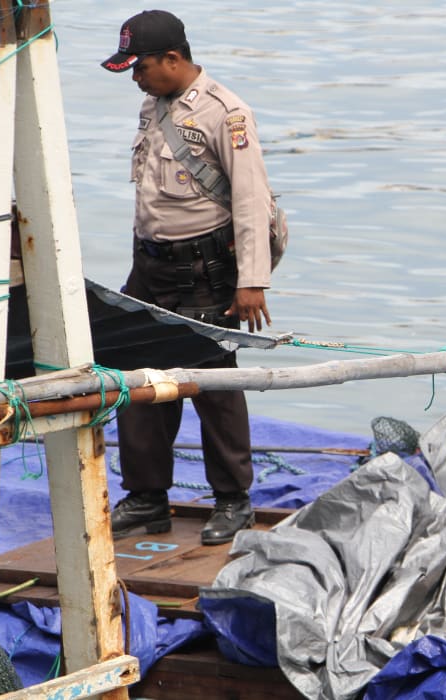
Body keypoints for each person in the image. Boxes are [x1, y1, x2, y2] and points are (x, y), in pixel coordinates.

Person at [102, 10, 273, 545]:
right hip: (150, 265)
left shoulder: (227, 113)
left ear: (173, 59)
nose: (136, 78)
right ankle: (147, 497)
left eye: (141, 67)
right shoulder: (153, 104)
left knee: (213, 380)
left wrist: (251, 281)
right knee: (136, 375)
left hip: (204, 269)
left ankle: (233, 499)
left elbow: (250, 199)